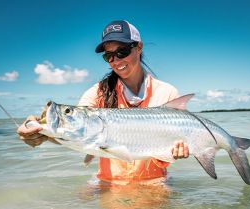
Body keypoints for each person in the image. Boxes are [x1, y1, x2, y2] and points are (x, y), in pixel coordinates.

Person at [17, 20, 189, 185]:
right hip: (108, 182)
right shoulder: (97, 93)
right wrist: (39, 131)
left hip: (155, 182)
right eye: (109, 56)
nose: (116, 60)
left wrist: (177, 151)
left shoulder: (168, 93)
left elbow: (174, 146)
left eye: (121, 52)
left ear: (139, 47)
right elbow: (76, 132)